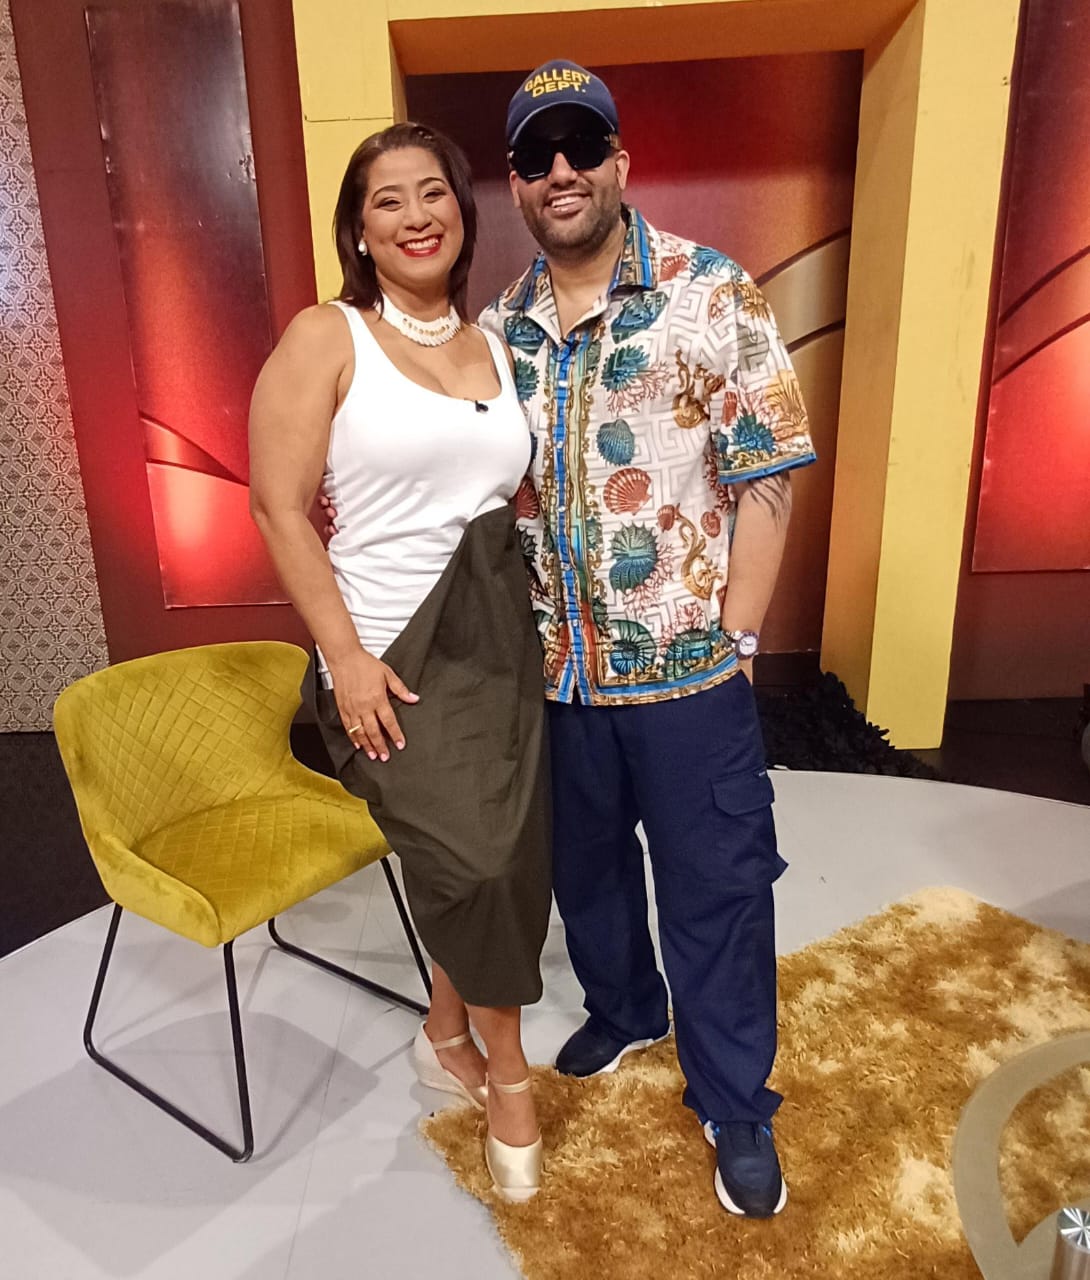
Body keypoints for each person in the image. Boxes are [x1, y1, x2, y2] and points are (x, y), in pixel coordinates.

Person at [481, 60, 817, 1219]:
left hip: (686, 678)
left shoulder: (709, 291)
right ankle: (625, 1006)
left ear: (620, 161)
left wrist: (739, 636)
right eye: (536, 156)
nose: (561, 171)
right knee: (585, 875)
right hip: (557, 680)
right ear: (516, 183)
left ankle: (733, 1099)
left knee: (717, 890)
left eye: (581, 147)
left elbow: (767, 475)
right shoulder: (501, 330)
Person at [248, 122, 550, 1202]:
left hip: (499, 638)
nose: (416, 215)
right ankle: (509, 1076)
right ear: (359, 230)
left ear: (462, 214)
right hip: (390, 651)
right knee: (476, 862)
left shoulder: (493, 346)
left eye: (434, 192)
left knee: (509, 853)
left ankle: (443, 1031)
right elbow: (278, 507)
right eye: (388, 199)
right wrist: (343, 658)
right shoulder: (326, 337)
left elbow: (499, 495)